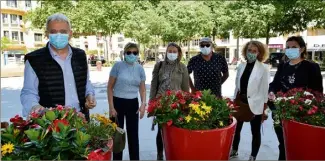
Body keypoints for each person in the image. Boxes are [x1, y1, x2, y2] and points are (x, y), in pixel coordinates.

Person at [20, 13, 96, 121]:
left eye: (63, 31)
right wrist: (34, 107)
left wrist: (89, 95)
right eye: (53, 32)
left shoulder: (80, 55)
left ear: (70, 34)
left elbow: (85, 81)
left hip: (81, 119)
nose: (59, 35)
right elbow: (28, 92)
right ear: (47, 34)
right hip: (51, 124)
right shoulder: (34, 59)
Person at [268, 36, 323, 160]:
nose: (290, 50)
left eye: (294, 47)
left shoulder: (311, 67)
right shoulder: (283, 66)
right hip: (280, 111)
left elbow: (318, 92)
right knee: (282, 142)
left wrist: (304, 102)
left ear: (302, 49)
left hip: (301, 113)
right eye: (288, 47)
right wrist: (271, 92)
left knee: (298, 144)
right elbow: (275, 84)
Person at [149, 42, 190, 160]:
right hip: (161, 102)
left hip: (176, 102)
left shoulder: (182, 67)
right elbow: (154, 85)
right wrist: (152, 101)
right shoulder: (159, 66)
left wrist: (186, 104)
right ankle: (160, 154)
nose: (172, 53)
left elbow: (185, 88)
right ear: (166, 52)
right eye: (170, 51)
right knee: (161, 130)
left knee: (175, 129)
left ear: (178, 53)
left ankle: (174, 153)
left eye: (174, 51)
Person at [230, 41, 270, 161]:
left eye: (254, 51)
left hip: (255, 104)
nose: (251, 53)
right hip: (240, 103)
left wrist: (264, 109)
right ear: (245, 51)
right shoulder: (241, 66)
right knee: (236, 130)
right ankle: (235, 150)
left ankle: (253, 156)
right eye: (249, 50)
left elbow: (264, 90)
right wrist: (233, 101)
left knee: (255, 132)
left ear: (259, 53)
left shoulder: (263, 68)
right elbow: (237, 86)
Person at [107, 42, 146, 160]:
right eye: (129, 52)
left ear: (138, 54)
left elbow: (142, 89)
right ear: (124, 53)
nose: (132, 54)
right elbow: (109, 87)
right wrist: (111, 107)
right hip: (117, 103)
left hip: (133, 103)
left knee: (133, 136)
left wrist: (143, 104)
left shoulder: (140, 69)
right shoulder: (117, 66)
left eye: (135, 52)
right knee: (117, 136)